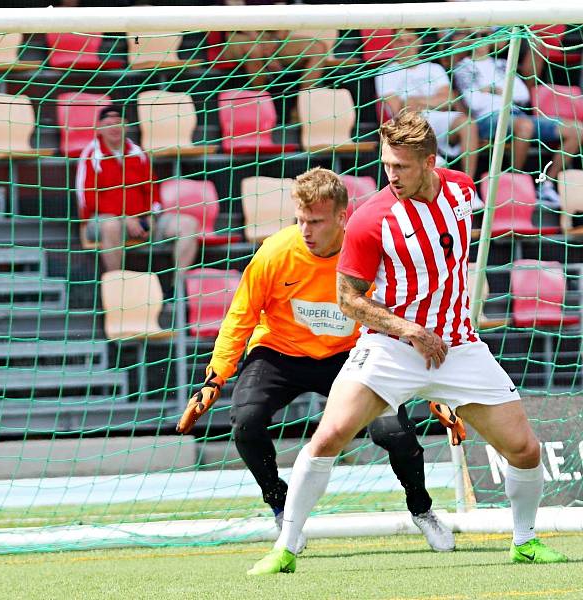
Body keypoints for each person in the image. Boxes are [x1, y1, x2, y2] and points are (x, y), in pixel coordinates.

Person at [248, 111, 569, 576]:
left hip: (458, 345)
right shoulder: (369, 219)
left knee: (525, 450)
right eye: (386, 164)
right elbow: (347, 300)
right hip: (393, 347)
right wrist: (409, 330)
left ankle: (525, 542)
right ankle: (286, 548)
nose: (391, 175)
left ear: (429, 161)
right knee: (329, 436)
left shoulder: (462, 190)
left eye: (401, 166)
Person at [177, 166, 456, 555]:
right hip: (280, 353)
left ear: (343, 218)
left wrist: (430, 390)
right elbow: (240, 316)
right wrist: (215, 379)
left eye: (316, 221)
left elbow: (400, 318)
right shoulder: (274, 253)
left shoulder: (373, 253)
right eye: (300, 219)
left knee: (393, 432)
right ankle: (279, 504)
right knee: (246, 422)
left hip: (352, 355)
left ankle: (423, 511)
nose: (305, 230)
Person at [453, 32, 581, 207]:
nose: (481, 40)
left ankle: (546, 183)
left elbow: (522, 95)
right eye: (475, 35)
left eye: (485, 35)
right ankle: (516, 184)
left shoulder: (503, 64)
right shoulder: (463, 67)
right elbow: (474, 102)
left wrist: (490, 89)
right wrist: (503, 90)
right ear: (467, 40)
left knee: (575, 129)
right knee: (524, 126)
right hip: (487, 119)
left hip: (517, 115)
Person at [75, 105, 199, 273]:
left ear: (126, 126)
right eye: (108, 123)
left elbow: (152, 189)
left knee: (189, 224)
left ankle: (178, 292)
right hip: (105, 221)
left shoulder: (137, 152)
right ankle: (115, 287)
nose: (114, 127)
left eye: (118, 123)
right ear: (99, 127)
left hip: (142, 221)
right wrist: (124, 217)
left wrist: (151, 215)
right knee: (111, 226)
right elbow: (87, 199)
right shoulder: (90, 154)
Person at [375, 28, 480, 179]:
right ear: (393, 44)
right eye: (400, 41)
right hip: (408, 123)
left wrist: (417, 101)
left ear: (419, 42)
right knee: (412, 114)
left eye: (409, 40)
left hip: (438, 118)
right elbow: (398, 108)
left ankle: (467, 182)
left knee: (467, 123)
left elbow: (449, 99)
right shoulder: (385, 72)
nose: (405, 45)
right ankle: (435, 159)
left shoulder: (434, 68)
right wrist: (431, 100)